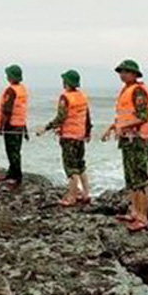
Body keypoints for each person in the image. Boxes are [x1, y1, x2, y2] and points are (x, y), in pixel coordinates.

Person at [102, 60, 148, 233]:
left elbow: (143, 116)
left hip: (137, 139)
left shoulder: (138, 91)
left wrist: (121, 127)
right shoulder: (126, 90)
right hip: (127, 139)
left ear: (133, 73)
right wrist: (112, 127)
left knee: (139, 179)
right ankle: (133, 212)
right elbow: (124, 116)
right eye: (120, 72)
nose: (121, 75)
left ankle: (142, 217)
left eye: (125, 72)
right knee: (131, 179)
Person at [37, 70, 91, 206]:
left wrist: (45, 128)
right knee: (80, 166)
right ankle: (86, 194)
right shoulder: (82, 96)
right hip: (79, 136)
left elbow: (61, 117)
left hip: (69, 137)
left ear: (66, 82)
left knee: (71, 168)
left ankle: (71, 197)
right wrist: (88, 132)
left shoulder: (65, 97)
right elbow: (87, 117)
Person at [0, 64, 29, 188]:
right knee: (15, 150)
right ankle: (11, 172)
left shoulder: (11, 90)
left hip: (11, 125)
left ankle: (16, 176)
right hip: (20, 124)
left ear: (11, 77)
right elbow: (20, 109)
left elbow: (7, 110)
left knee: (12, 152)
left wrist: (1, 126)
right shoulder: (22, 89)